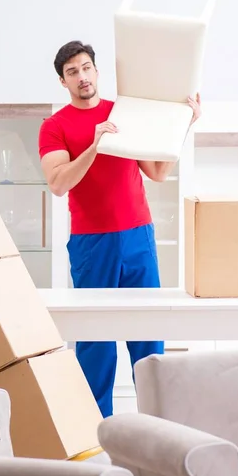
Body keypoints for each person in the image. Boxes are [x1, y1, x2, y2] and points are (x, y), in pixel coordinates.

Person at [38, 40, 201, 417]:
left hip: (138, 238)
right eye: (72, 72)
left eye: (86, 68)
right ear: (63, 82)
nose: (82, 77)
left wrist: (185, 124)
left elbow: (157, 172)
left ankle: (157, 427)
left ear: (96, 71)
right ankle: (98, 431)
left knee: (148, 336)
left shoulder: (123, 113)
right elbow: (59, 183)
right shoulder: (55, 126)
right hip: (91, 244)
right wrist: (95, 145)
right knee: (96, 343)